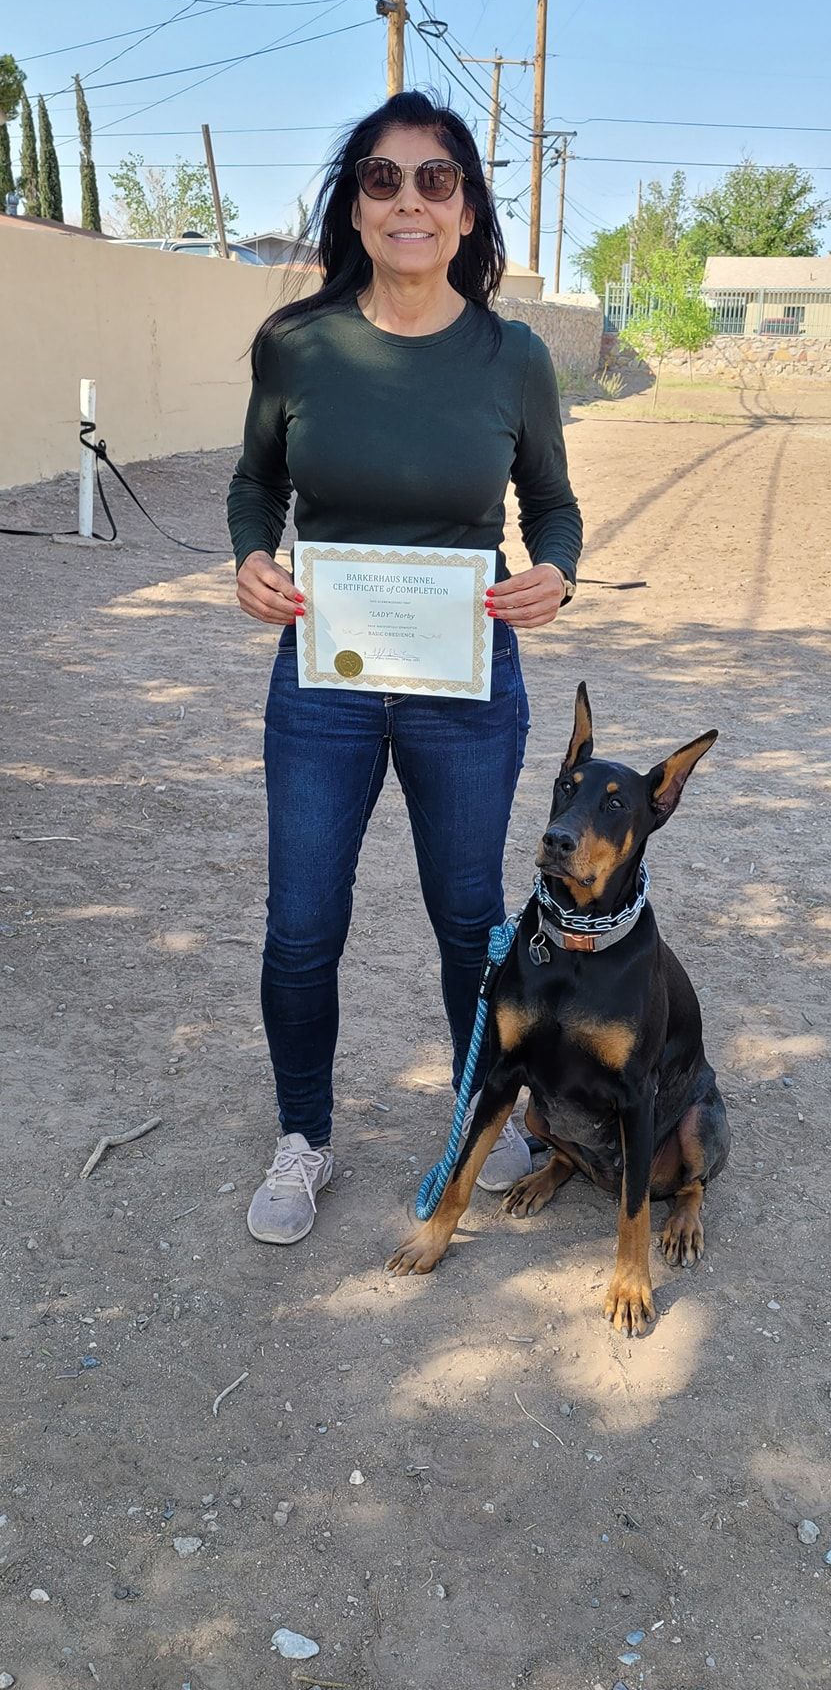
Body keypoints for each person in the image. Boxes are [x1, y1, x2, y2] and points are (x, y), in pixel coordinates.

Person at [227, 90, 582, 1246]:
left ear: (468, 209)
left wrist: (557, 572)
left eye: (437, 179)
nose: (409, 200)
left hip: (465, 682)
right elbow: (254, 483)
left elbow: (554, 505)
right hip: (324, 681)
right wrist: (250, 557)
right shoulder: (298, 344)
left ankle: (483, 1115)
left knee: (470, 917)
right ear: (356, 206)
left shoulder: (513, 357)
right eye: (382, 179)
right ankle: (303, 1134)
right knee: (301, 923)